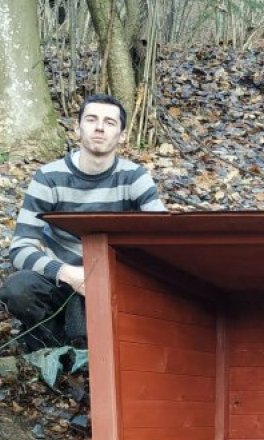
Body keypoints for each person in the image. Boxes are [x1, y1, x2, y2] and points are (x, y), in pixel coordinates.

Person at [0, 94, 165, 351]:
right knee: (19, 288)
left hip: (116, 281)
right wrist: (68, 273)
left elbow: (162, 237)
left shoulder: (134, 177)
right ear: (77, 129)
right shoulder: (49, 178)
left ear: (122, 135)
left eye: (110, 122)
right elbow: (21, 248)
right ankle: (55, 348)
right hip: (61, 280)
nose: (99, 127)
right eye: (91, 119)